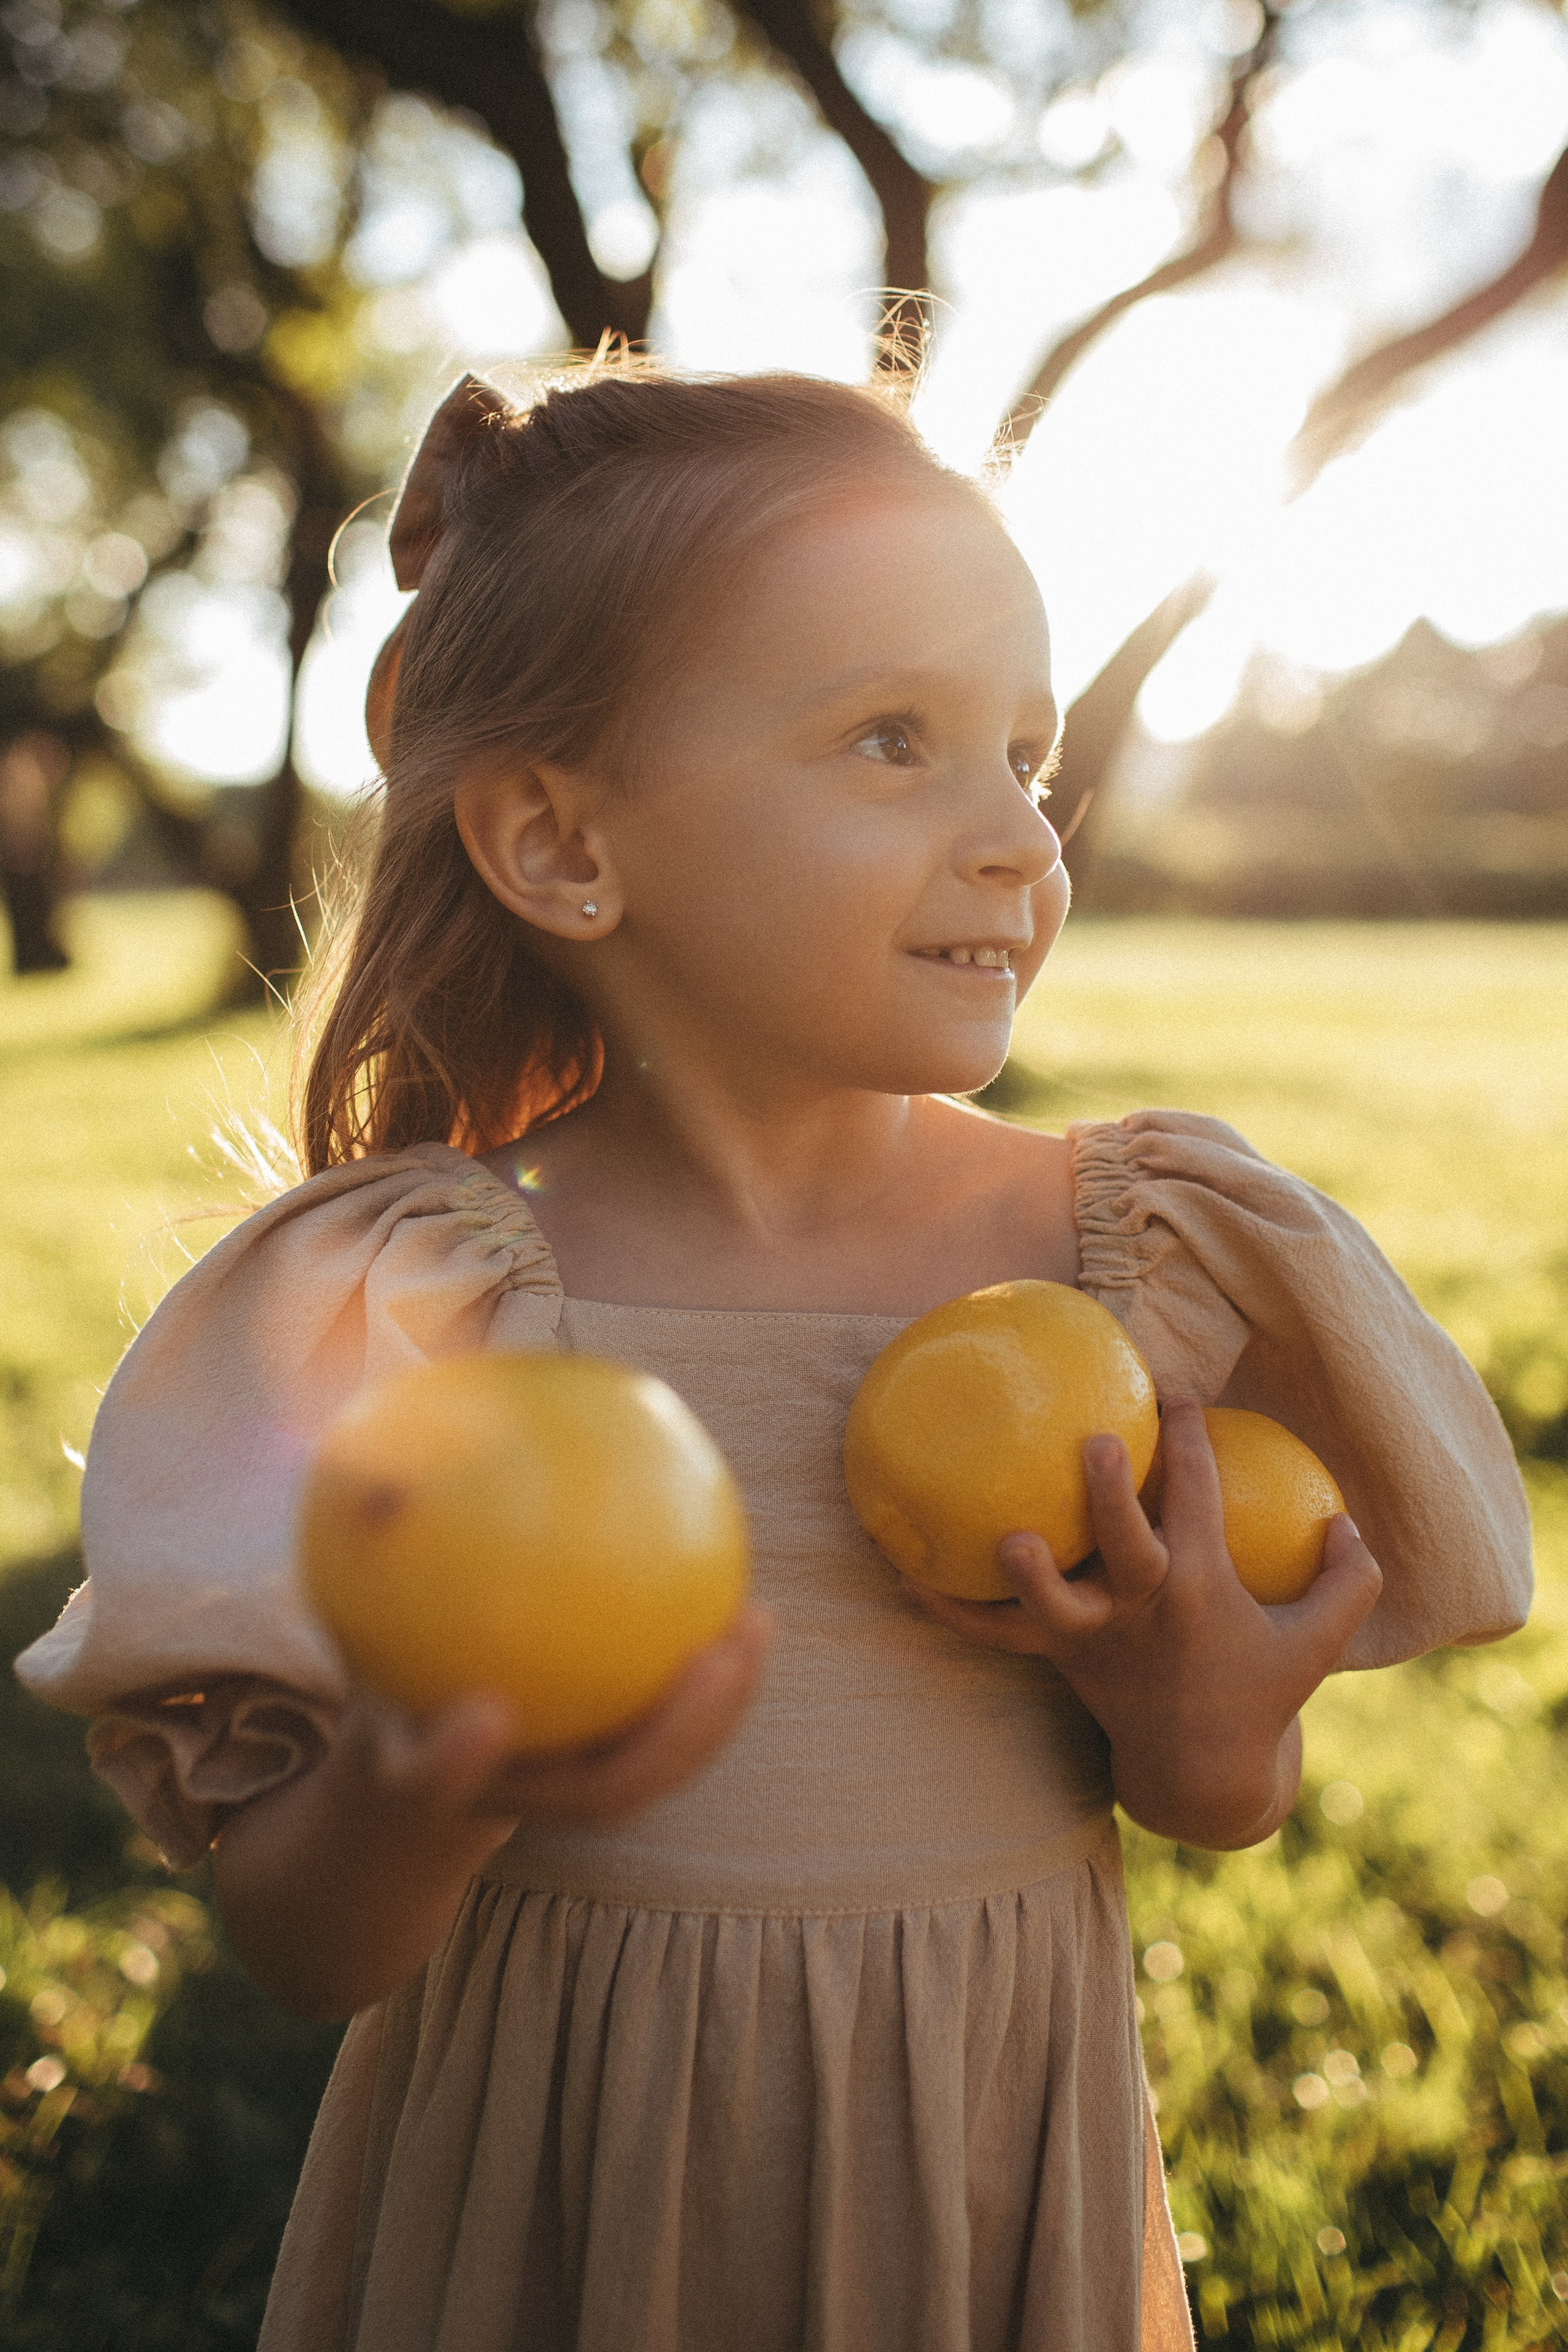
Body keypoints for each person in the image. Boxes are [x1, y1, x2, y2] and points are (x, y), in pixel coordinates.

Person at [17, 361, 1532, 2352]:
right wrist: (424, 1778)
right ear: (562, 842)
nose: (1020, 837)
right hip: (556, 2205)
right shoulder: (417, 1305)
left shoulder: (1133, 1267)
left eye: (1024, 754)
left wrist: (1205, 1716)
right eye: (893, 742)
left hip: (973, 2174)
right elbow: (306, 1949)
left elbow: (1212, 1802)